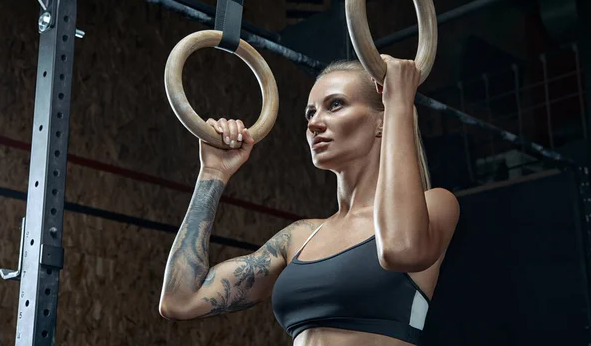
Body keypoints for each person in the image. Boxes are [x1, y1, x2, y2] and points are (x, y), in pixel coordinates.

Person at [159, 55, 460, 346]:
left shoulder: (436, 206)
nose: (314, 124)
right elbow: (180, 300)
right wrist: (212, 174)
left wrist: (399, 104)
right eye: (310, 113)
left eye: (335, 105)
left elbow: (401, 249)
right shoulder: (300, 237)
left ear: (382, 121)